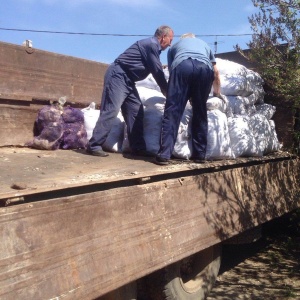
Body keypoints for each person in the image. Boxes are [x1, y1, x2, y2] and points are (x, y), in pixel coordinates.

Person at [87, 25, 174, 157]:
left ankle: (137, 147)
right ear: (163, 37)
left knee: (136, 110)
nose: (170, 44)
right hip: (118, 75)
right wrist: (167, 91)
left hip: (128, 80)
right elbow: (157, 71)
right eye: (170, 39)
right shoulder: (151, 45)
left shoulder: (152, 47)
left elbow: (157, 68)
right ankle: (94, 145)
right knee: (112, 109)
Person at [155, 33, 222, 165]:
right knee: (200, 111)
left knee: (173, 111)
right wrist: (217, 93)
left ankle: (164, 154)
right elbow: (216, 73)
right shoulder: (204, 45)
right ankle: (199, 155)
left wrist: (173, 95)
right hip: (204, 69)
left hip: (182, 66)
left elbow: (172, 69)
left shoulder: (174, 47)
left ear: (183, 40)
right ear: (194, 38)